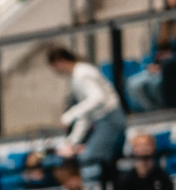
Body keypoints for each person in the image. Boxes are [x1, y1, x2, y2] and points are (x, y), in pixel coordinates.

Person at [46, 45, 124, 175]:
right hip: (106, 120)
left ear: (59, 61)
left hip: (110, 119)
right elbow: (86, 114)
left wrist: (70, 115)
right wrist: (72, 141)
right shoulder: (79, 74)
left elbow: (98, 98)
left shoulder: (81, 74)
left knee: (89, 160)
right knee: (107, 164)